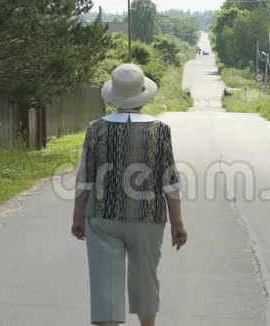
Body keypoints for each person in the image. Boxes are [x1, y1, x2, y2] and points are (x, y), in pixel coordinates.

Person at [71, 63, 188, 326]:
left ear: (114, 97)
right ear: (142, 95)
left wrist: (77, 217)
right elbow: (169, 181)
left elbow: (85, 179)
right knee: (146, 278)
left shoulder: (96, 129)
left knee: (105, 285)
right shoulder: (160, 131)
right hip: (147, 218)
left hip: (102, 217)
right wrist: (177, 224)